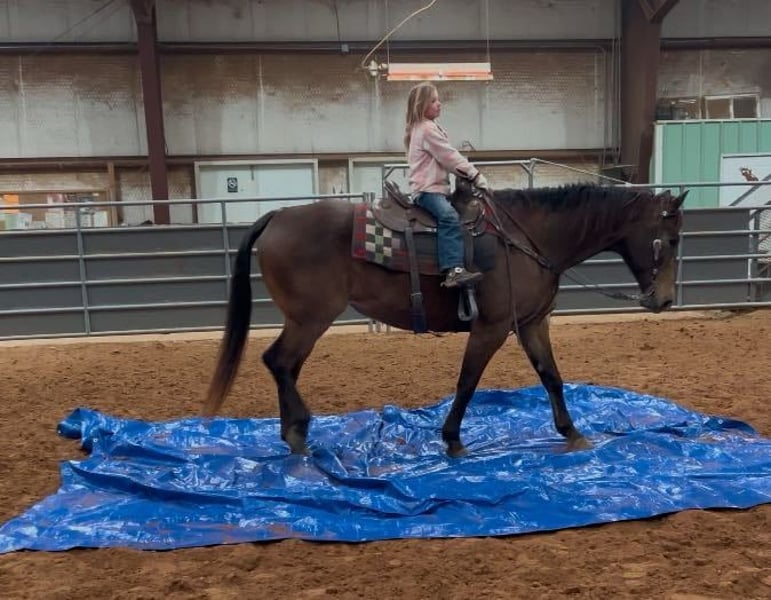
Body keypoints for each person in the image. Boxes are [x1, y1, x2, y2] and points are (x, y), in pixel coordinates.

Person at [404, 82, 489, 288]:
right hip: (428, 191)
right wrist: (475, 175)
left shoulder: (422, 128)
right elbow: (449, 157)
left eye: (438, 100)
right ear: (421, 105)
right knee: (449, 217)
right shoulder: (426, 129)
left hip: (433, 190)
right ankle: (453, 270)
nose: (439, 104)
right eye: (433, 100)